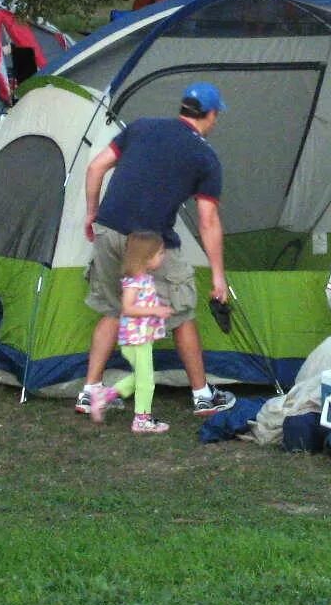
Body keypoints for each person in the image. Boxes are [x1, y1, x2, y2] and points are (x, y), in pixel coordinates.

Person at [77, 81, 236, 418]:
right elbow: (208, 221)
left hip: (109, 227)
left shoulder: (141, 126)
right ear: (210, 115)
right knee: (181, 313)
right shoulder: (205, 156)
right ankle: (203, 395)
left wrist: (92, 214)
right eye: (216, 115)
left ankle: (90, 391)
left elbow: (95, 168)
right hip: (150, 240)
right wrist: (218, 277)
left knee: (112, 308)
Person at [94, 230, 174, 433]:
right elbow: (127, 308)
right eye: (160, 253)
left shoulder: (144, 278)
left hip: (142, 337)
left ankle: (106, 396)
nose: (163, 256)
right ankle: (142, 419)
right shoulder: (134, 281)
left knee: (142, 376)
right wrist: (155, 310)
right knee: (147, 380)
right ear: (147, 257)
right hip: (136, 339)